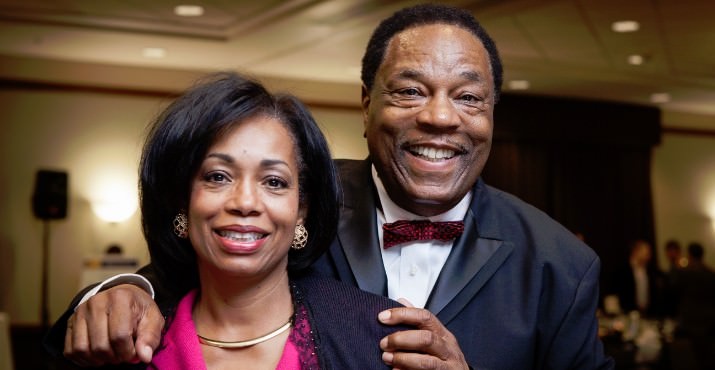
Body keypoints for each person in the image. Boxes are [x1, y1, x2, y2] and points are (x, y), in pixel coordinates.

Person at [47, 4, 614, 369]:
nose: (442, 118)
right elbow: (182, 271)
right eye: (410, 91)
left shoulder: (561, 265)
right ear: (366, 104)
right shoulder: (292, 196)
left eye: (468, 97)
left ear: (492, 114)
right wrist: (125, 290)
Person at [48, 71, 410, 369]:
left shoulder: (377, 341)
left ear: (302, 209)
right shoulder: (122, 343)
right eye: (217, 177)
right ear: (181, 199)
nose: (245, 202)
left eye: (274, 182)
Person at [608, 239, 666, 317]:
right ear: (635, 251)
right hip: (628, 313)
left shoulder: (652, 271)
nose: (649, 257)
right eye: (646, 253)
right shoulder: (622, 271)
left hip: (649, 313)